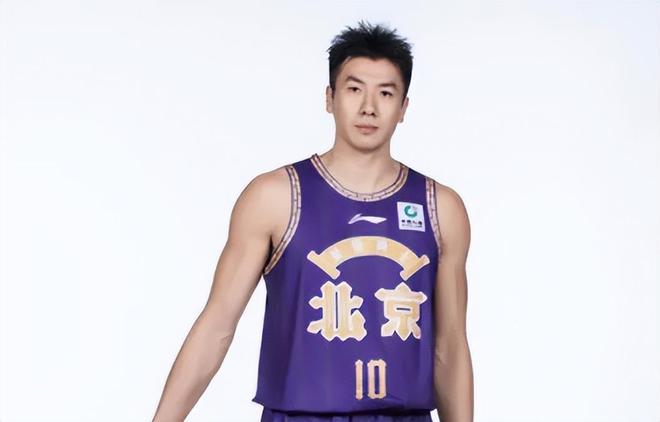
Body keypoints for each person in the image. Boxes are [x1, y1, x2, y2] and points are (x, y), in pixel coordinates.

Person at [152, 20, 473, 422]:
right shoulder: (275, 196)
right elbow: (218, 324)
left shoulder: (439, 207)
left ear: (404, 107)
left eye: (385, 93)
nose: (369, 107)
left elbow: (450, 347)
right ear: (329, 98)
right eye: (354, 89)